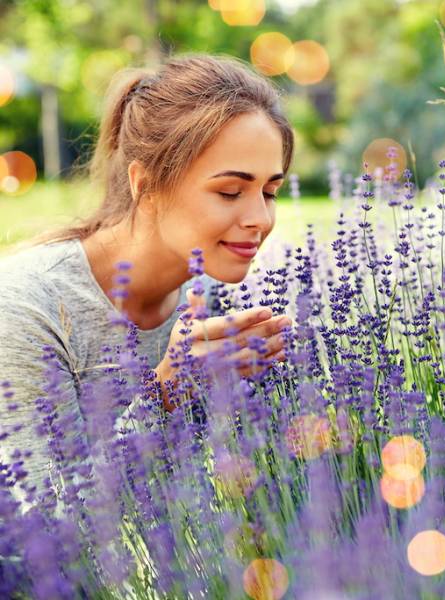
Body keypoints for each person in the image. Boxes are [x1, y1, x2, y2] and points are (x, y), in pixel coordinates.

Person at [0, 53, 295, 511]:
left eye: (270, 192)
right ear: (146, 183)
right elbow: (41, 537)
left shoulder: (225, 307)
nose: (260, 218)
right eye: (230, 192)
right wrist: (164, 396)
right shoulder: (25, 308)